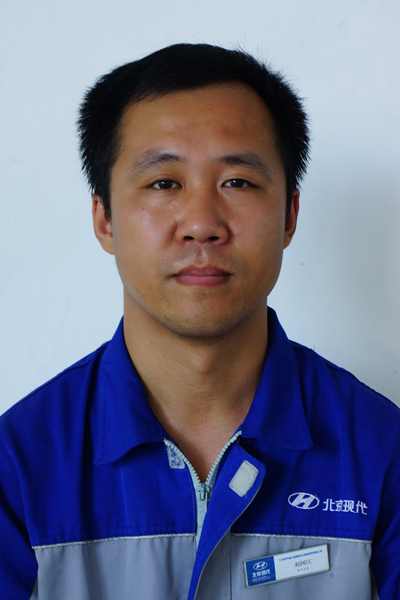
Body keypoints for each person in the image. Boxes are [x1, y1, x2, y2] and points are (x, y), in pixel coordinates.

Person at [0, 42, 398, 600]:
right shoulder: (19, 465)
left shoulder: (383, 452)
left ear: (289, 216)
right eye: (164, 183)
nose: (202, 224)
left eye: (237, 182)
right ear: (104, 218)